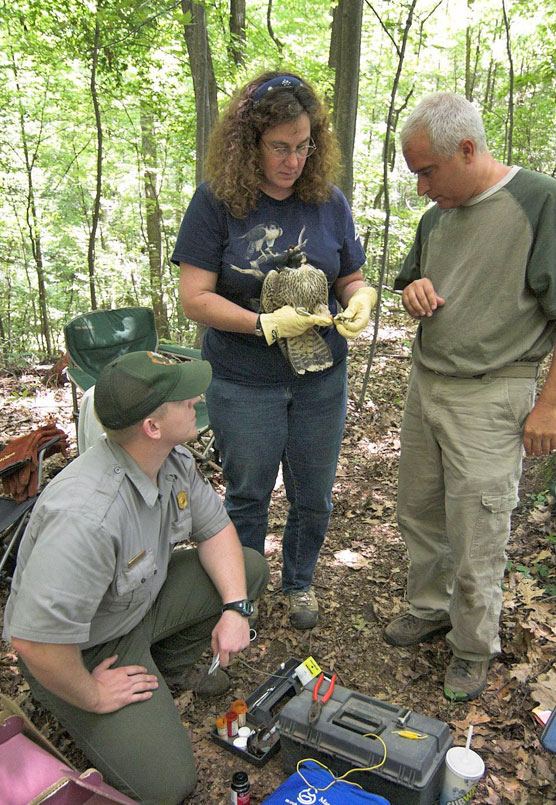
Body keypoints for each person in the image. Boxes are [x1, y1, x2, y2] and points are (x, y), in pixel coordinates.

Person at [3, 350, 269, 804]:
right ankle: (89, 699)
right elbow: (36, 643)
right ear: (152, 426)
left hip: (138, 606)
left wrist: (235, 609)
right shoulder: (86, 517)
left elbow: (217, 529)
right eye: (184, 398)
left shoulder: (169, 459)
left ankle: (165, 665)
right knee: (166, 785)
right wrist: (92, 695)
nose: (196, 400)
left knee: (246, 569)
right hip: (80, 651)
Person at [172, 71, 376, 630]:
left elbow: (350, 275)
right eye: (280, 147)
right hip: (243, 380)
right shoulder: (216, 202)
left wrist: (360, 297)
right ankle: (244, 590)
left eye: (304, 146)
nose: (293, 160)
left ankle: (300, 580)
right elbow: (195, 299)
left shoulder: (328, 201)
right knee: (249, 494)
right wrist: (262, 322)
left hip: (321, 377)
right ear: (251, 143)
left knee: (313, 495)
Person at [384, 92, 556, 702]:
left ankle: (472, 645)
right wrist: (415, 291)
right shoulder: (436, 217)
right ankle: (429, 606)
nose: (424, 189)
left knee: (478, 529)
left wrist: (550, 404)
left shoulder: (539, 201)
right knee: (421, 510)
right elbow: (413, 283)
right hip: (427, 381)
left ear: (466, 148)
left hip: (494, 391)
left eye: (428, 172)